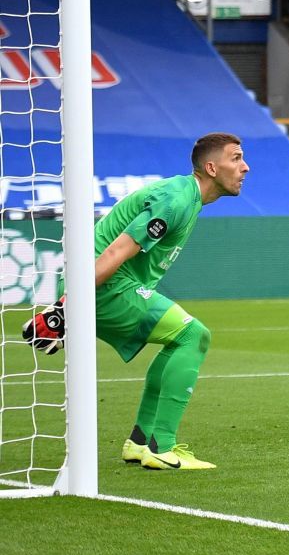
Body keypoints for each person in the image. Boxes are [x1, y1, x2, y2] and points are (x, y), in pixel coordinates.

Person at [23, 132, 249, 469]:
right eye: (236, 158)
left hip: (104, 283)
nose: (246, 167)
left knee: (179, 340)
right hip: (103, 283)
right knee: (193, 335)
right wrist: (67, 307)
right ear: (212, 167)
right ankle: (161, 447)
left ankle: (141, 442)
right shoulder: (175, 201)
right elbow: (117, 251)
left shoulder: (187, 198)